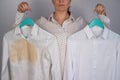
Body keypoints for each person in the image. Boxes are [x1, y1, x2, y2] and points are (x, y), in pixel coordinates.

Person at [15, 1, 108, 80]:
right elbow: (19, 36)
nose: (61, 0)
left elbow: (103, 39)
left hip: (76, 76)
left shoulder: (81, 24)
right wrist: (20, 14)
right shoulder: (41, 24)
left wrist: (103, 17)